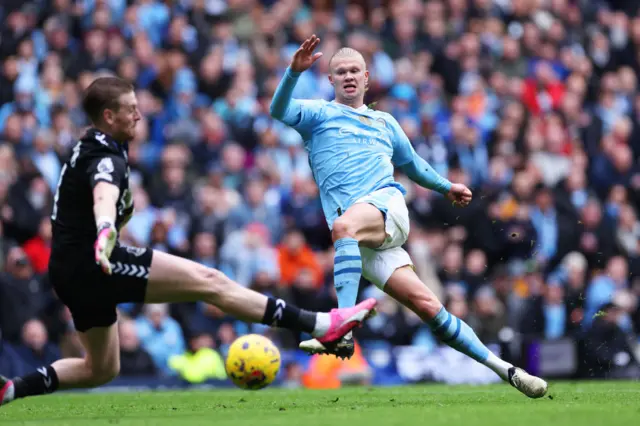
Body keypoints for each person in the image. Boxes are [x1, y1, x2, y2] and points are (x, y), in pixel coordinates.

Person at [0, 77, 377, 407]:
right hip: (97, 260)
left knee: (100, 369)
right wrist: (105, 229)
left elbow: (102, 199)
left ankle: (13, 390)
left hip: (69, 269)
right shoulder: (106, 158)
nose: (139, 116)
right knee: (211, 282)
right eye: (130, 109)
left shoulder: (89, 145)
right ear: (109, 116)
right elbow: (103, 196)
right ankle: (320, 325)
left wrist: (114, 218)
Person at [269, 35, 547, 398]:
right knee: (430, 307)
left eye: (355, 70)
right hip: (359, 242)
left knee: (343, 227)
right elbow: (278, 111)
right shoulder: (318, 115)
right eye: (341, 72)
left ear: (367, 78)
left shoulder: (384, 123)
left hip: (385, 208)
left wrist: (447, 186)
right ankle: (508, 371)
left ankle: (341, 327)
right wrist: (292, 72)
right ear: (331, 80)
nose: (349, 76)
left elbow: (413, 165)